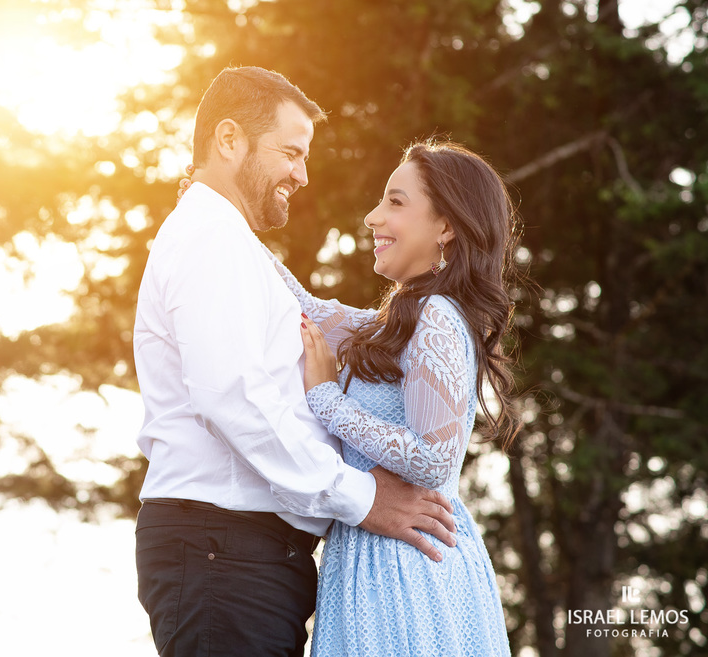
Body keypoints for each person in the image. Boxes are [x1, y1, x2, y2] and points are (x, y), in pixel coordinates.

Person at [133, 66, 458, 657]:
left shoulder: (232, 245)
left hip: (237, 554)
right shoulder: (211, 239)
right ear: (229, 141)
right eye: (290, 152)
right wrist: (361, 498)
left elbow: (334, 323)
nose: (302, 175)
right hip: (221, 550)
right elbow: (231, 397)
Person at [279, 139, 519, 655]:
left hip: (407, 566)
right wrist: (215, 210)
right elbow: (303, 307)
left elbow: (434, 459)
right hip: (372, 554)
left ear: (446, 226)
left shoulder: (437, 317)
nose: (371, 217)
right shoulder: (403, 320)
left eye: (395, 201)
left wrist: (326, 399)